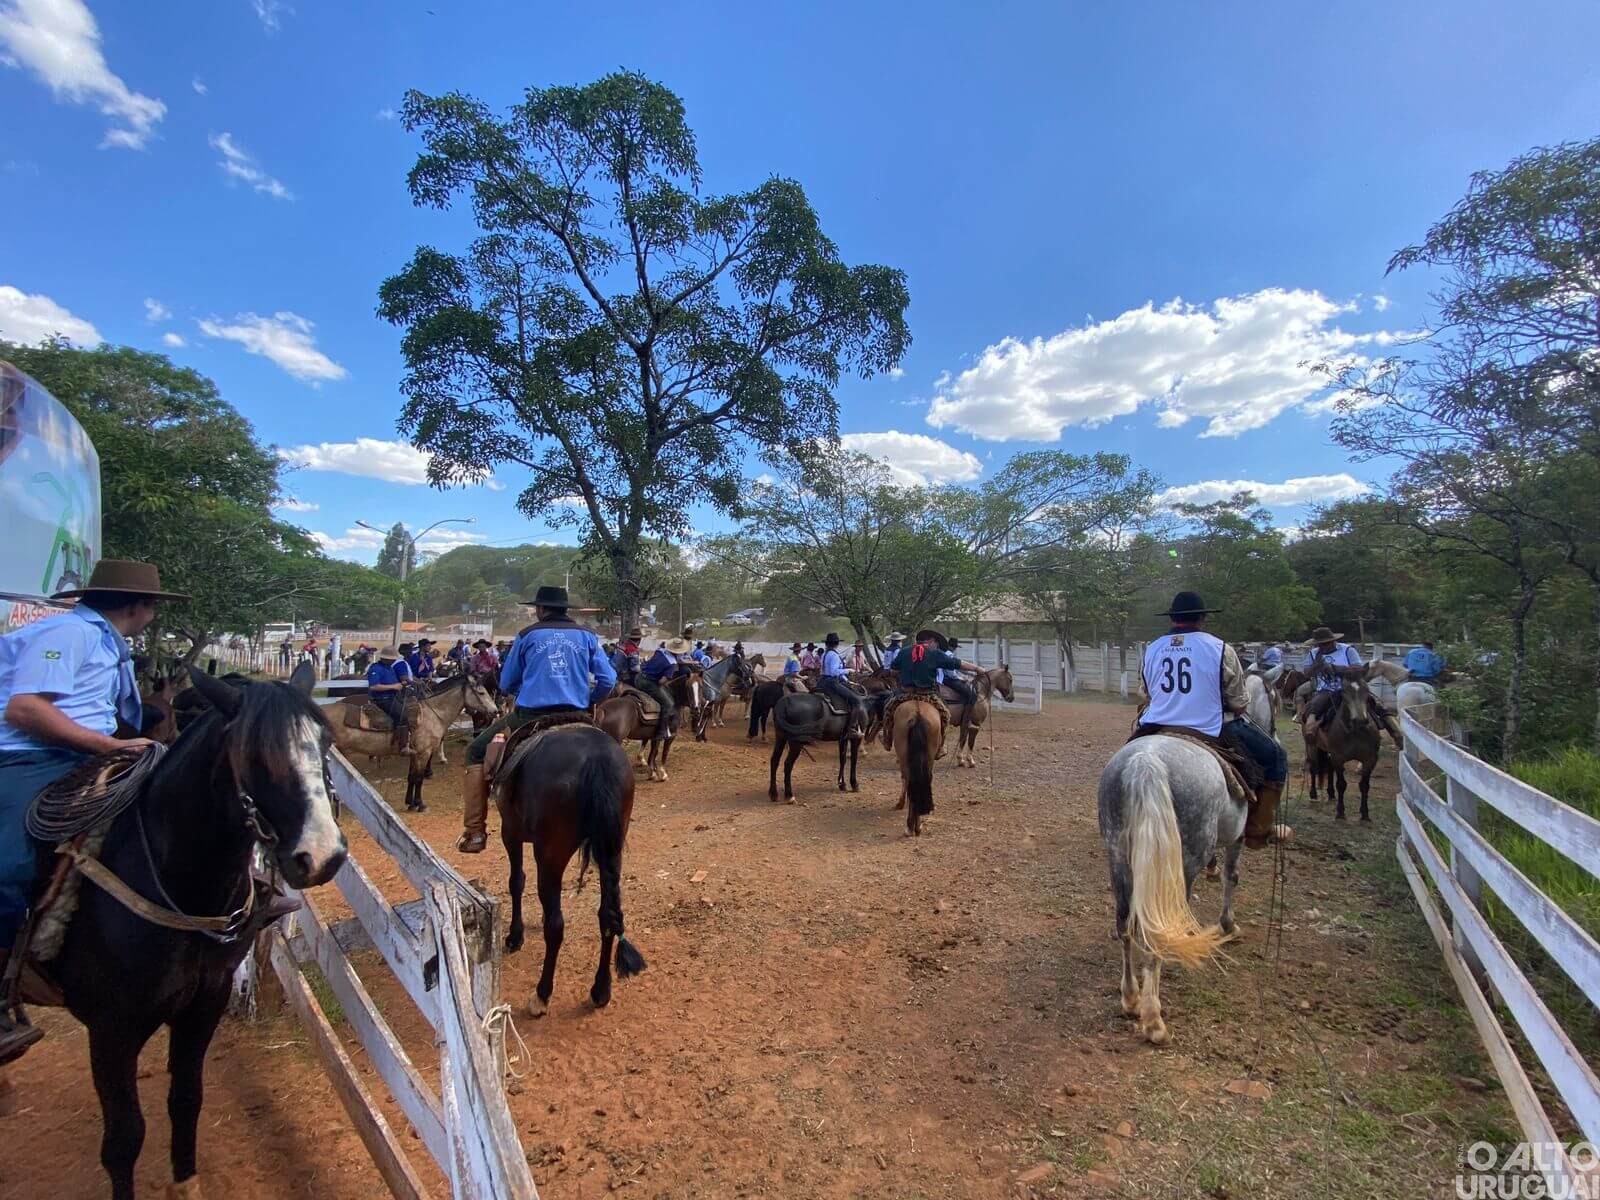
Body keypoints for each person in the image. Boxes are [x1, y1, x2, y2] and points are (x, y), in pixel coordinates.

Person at [0, 560, 181, 1063]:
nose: (152, 614)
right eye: (152, 605)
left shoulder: (104, 641)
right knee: (10, 862)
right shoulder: (69, 633)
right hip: (29, 755)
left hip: (83, 752)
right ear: (138, 606)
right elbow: (26, 710)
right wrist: (108, 745)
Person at [458, 586, 616, 853]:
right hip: (577, 713)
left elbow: (507, 682)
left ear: (541, 609)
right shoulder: (587, 635)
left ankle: (475, 831)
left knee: (475, 751)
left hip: (531, 716)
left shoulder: (527, 634)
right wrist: (591, 698)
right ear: (565, 609)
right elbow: (608, 679)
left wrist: (526, 688)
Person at [1137, 591, 1288, 849]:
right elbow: (1239, 704)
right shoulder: (1220, 648)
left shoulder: (1152, 648)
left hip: (1157, 725)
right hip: (1210, 727)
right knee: (1276, 757)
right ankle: (1258, 829)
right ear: (1202, 618)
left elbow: (1145, 693)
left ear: (1172, 618)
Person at [887, 630, 981, 757]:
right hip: (928, 694)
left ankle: (887, 738)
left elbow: (893, 669)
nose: (937, 646)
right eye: (937, 643)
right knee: (945, 715)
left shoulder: (904, 651)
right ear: (931, 641)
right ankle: (940, 746)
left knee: (888, 709)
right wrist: (977, 668)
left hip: (905, 694)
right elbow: (957, 663)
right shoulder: (935, 653)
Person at [637, 630, 691, 728]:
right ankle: (662, 730)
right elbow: (661, 681)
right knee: (668, 703)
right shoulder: (672, 663)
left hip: (638, 677)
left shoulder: (659, 651)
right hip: (648, 683)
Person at [365, 646, 414, 752]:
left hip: (392, 697)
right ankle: (402, 745)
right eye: (392, 659)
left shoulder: (389, 668)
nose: (394, 660)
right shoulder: (376, 669)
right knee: (402, 716)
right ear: (385, 658)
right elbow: (373, 686)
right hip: (382, 699)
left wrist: (401, 684)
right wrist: (393, 686)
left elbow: (393, 682)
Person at [817, 632, 866, 725]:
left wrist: (848, 681)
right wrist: (849, 670)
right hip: (831, 683)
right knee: (856, 701)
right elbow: (834, 672)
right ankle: (852, 727)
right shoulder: (834, 655)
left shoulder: (824, 654)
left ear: (827, 644)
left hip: (821, 681)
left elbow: (830, 671)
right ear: (837, 644)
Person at [941, 636, 980, 742]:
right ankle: (967, 720)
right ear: (953, 647)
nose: (955, 649)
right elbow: (951, 673)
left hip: (945, 678)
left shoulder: (945, 653)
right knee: (972, 695)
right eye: (955, 647)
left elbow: (956, 669)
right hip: (949, 680)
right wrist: (962, 679)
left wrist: (965, 676)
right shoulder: (949, 655)